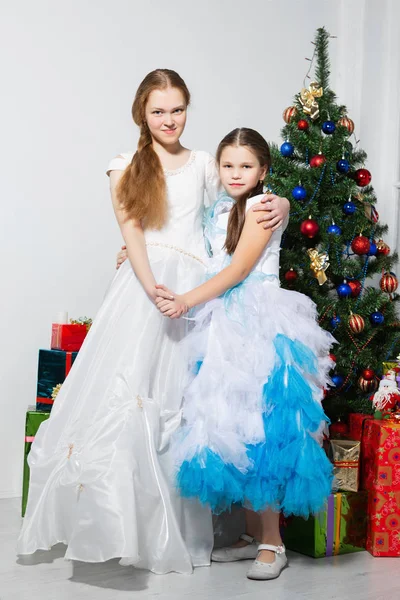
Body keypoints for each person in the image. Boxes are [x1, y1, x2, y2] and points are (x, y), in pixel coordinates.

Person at [17, 71, 289, 575]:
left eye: (178, 109)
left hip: (200, 291)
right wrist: (150, 286)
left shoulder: (207, 165)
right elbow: (135, 232)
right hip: (152, 288)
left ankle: (190, 529)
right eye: (159, 110)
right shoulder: (125, 166)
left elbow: (232, 210)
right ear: (142, 111)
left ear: (188, 110)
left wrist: (281, 203)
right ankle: (118, 525)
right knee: (130, 394)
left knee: (193, 406)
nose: (169, 119)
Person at [155, 128, 335, 580]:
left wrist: (186, 301)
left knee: (261, 428)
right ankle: (252, 534)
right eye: (228, 165)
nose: (236, 174)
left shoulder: (263, 209)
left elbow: (237, 270)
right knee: (231, 426)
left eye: (246, 166)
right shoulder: (218, 207)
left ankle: (274, 541)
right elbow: (199, 253)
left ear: (264, 172)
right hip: (223, 325)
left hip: (257, 323)